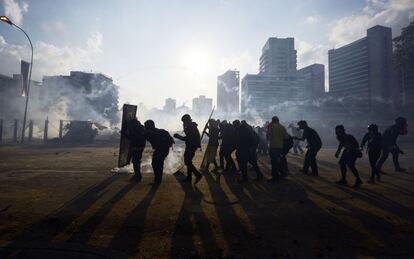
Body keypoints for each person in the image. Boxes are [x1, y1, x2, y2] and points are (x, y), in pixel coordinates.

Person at [174, 114, 203, 184]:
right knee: (188, 161)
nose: (183, 123)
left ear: (187, 120)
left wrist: (178, 137)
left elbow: (188, 138)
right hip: (191, 145)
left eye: (184, 121)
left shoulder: (191, 127)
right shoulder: (190, 126)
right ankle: (189, 177)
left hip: (191, 146)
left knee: (187, 161)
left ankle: (197, 174)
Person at [144, 120, 174, 185]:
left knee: (157, 165)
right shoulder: (160, 131)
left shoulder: (151, 133)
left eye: (146, 126)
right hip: (164, 150)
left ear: (149, 126)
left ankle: (157, 181)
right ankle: (157, 180)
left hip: (160, 150)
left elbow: (143, 135)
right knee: (157, 164)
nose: (145, 127)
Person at [266, 116, 289, 182]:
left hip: (273, 146)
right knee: (279, 161)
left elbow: (269, 137)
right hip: (280, 147)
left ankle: (275, 177)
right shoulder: (282, 127)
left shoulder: (271, 126)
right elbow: (286, 137)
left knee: (274, 162)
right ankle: (283, 173)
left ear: (272, 120)